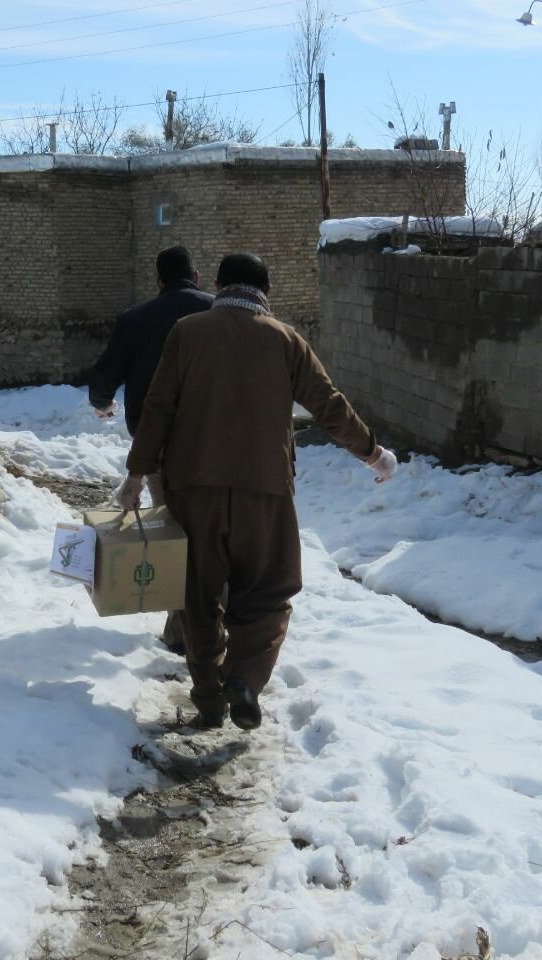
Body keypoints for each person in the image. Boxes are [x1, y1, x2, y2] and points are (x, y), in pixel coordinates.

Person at [117, 253, 397, 731]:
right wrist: (372, 453)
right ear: (265, 292)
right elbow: (329, 406)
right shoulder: (285, 340)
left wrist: (137, 474)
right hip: (264, 490)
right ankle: (245, 679)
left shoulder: (187, 332)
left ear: (219, 286)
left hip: (192, 488)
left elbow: (158, 408)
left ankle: (207, 693)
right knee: (268, 592)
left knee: (198, 594)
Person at [88, 245, 215, 460]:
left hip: (154, 432)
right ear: (196, 277)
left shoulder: (133, 319)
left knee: (165, 491)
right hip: (212, 427)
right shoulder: (220, 312)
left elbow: (107, 372)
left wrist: (102, 402)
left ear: (159, 281)